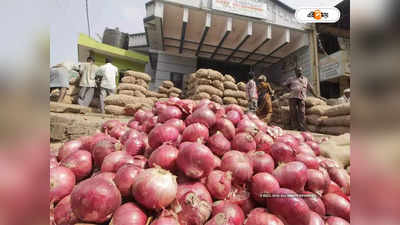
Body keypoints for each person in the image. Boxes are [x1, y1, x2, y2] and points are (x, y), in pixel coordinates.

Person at [283, 67, 325, 131]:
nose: (300, 72)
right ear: (295, 72)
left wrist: (316, 96)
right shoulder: (291, 79)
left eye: (301, 71)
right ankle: (294, 127)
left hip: (301, 97)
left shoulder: (305, 79)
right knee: (293, 112)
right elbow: (284, 85)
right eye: (298, 71)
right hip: (293, 97)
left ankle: (302, 127)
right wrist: (289, 90)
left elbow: (310, 88)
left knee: (302, 113)